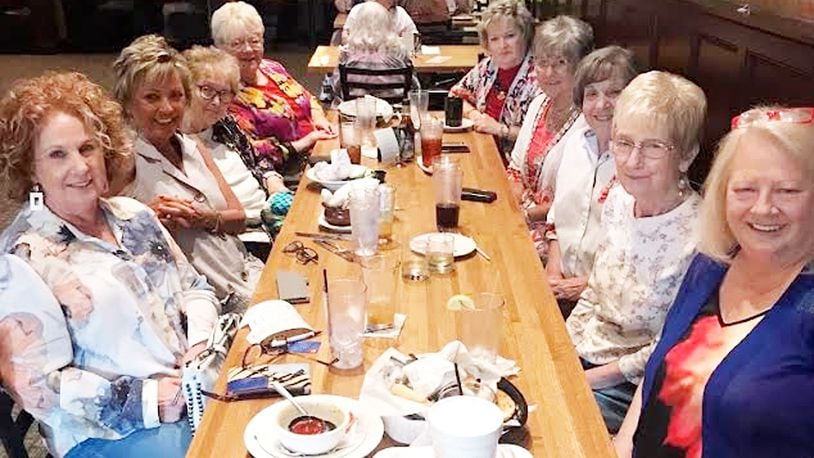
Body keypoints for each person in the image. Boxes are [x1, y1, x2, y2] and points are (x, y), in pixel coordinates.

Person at [0, 72, 220, 457]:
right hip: (106, 431)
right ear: (31, 170)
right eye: (57, 154)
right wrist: (148, 401)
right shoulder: (22, 257)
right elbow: (35, 386)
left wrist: (199, 340)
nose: (81, 167)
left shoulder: (135, 216)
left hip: (192, 387)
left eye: (87, 148)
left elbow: (195, 287)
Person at [614, 106, 814, 458]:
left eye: (787, 191)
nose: (763, 208)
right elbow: (658, 373)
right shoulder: (710, 265)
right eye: (746, 189)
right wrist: (619, 447)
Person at [565, 71, 706, 433]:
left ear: (687, 155)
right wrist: (560, 347)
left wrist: (585, 380)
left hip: (631, 387)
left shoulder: (702, 238)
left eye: (654, 146)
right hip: (585, 352)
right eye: (623, 143)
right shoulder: (619, 199)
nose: (632, 161)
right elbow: (595, 291)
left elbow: (666, 349)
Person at [113, 34, 262, 311]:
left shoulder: (193, 145)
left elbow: (239, 219)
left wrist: (204, 218)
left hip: (249, 268)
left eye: (176, 96)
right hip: (217, 302)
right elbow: (101, 239)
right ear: (128, 103)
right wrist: (146, 219)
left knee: (314, 284)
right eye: (152, 98)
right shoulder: (124, 160)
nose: (167, 108)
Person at [544, 46, 638, 314]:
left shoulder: (639, 163)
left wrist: (585, 285)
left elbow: (637, 257)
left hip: (607, 304)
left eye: (613, 93)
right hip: (561, 288)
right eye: (592, 94)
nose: (601, 104)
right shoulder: (576, 143)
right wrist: (552, 272)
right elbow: (557, 219)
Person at [211, 1, 335, 179]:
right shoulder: (227, 95)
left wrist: (319, 118)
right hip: (291, 172)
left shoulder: (271, 68)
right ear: (220, 49)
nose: (248, 49)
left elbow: (307, 97)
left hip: (320, 151)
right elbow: (251, 150)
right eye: (237, 44)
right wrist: (306, 141)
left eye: (254, 41)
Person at [181, 45, 293, 239]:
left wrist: (275, 184)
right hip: (240, 236)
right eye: (207, 90)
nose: (216, 102)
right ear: (186, 89)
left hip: (270, 219)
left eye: (224, 94)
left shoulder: (225, 125)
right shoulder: (177, 143)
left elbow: (258, 160)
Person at [505, 15, 593, 257]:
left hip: (558, 238)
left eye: (560, 63)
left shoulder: (589, 123)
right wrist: (512, 208)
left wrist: (524, 215)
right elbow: (514, 168)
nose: (548, 72)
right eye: (542, 62)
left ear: (580, 66)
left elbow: (577, 203)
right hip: (522, 217)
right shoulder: (539, 103)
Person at [449, 0, 538, 155]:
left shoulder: (539, 76)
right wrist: (475, 115)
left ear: (525, 36)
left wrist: (500, 129)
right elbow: (455, 96)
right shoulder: (489, 66)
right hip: (482, 151)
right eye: (494, 39)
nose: (502, 45)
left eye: (510, 36)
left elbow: (541, 138)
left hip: (514, 163)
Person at [331, 1, 420, 104]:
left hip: (356, 109)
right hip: (393, 109)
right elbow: (413, 85)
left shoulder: (346, 53)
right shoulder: (400, 52)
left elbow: (337, 86)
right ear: (388, 24)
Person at [343, 0, 418, 43]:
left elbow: (412, 41)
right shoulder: (358, 10)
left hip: (394, 62)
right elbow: (346, 38)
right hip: (361, 60)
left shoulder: (400, 12)